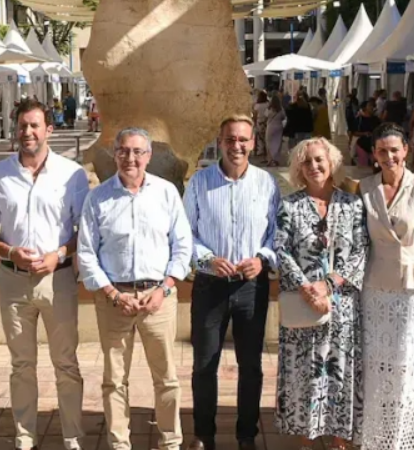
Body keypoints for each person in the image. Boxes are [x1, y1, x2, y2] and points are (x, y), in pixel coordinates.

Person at [0, 101, 89, 450]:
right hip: (13, 279)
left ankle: (72, 437)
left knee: (66, 363)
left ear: (49, 130)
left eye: (35, 126)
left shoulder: (73, 174)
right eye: (23, 126)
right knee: (21, 365)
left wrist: (58, 255)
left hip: (58, 280)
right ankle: (25, 438)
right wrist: (9, 251)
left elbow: (85, 229)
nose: (28, 132)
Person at [77, 128, 192, 450]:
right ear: (115, 154)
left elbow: (182, 246)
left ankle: (170, 442)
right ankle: (119, 443)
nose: (131, 158)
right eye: (124, 151)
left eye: (138, 152)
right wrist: (113, 294)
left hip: (158, 298)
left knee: (166, 377)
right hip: (115, 300)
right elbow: (86, 252)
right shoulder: (97, 198)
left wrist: (165, 288)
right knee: (114, 380)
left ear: (149, 156)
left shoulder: (167, 193)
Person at [183, 116, 280, 450]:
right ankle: (204, 435)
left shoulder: (267, 184)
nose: (236, 146)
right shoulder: (199, 182)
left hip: (251, 287)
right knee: (204, 365)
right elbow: (185, 234)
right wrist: (207, 257)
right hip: (210, 286)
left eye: (243, 140)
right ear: (219, 141)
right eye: (230, 139)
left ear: (254, 143)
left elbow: (276, 234)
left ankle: (246, 436)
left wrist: (263, 258)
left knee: (251, 366)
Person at [273, 137, 368, 449]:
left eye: (319, 160)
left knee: (340, 370)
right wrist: (306, 288)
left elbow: (361, 251)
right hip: (303, 302)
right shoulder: (289, 205)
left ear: (332, 164)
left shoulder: (352, 204)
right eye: (307, 161)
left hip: (341, 305)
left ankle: (340, 439)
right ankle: (307, 439)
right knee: (305, 371)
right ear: (299, 168)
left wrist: (329, 284)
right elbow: (280, 250)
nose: (314, 166)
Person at [358, 124, 414, 450]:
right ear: (374, 155)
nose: (389, 156)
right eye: (382, 151)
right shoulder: (364, 188)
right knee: (378, 361)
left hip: (413, 290)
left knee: (409, 361)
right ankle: (378, 433)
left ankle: (407, 435)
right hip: (375, 286)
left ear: (406, 150)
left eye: (395, 149)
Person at [352, 99, 381, 167]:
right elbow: (354, 132)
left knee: (375, 166)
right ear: (364, 107)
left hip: (374, 146)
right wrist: (364, 133)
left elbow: (380, 130)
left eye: (373, 105)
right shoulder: (359, 119)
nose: (372, 107)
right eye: (369, 105)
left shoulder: (376, 119)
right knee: (363, 166)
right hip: (362, 145)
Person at [265, 95, 287, 167]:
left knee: (269, 144)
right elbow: (284, 117)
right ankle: (276, 159)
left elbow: (266, 115)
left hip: (270, 127)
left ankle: (270, 160)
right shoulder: (281, 109)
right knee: (277, 144)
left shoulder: (269, 108)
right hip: (279, 127)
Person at [253, 91, 271, 157]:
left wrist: (254, 122)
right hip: (267, 122)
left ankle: (260, 150)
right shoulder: (268, 104)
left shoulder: (257, 105)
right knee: (266, 136)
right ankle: (266, 150)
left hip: (259, 121)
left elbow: (255, 115)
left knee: (259, 137)